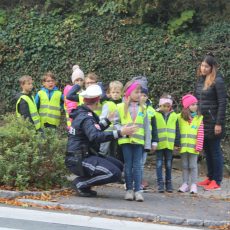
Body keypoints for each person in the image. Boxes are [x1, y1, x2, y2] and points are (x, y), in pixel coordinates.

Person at [65, 84, 137, 197]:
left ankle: (85, 184)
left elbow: (94, 129)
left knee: (118, 165)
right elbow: (95, 136)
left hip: (82, 155)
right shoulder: (86, 117)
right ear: (97, 102)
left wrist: (107, 121)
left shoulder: (83, 113)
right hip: (78, 159)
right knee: (114, 173)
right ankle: (81, 183)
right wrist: (120, 133)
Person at [114, 81, 151, 202]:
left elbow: (146, 127)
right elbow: (116, 123)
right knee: (128, 166)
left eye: (140, 92)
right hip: (126, 141)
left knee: (138, 166)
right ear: (129, 93)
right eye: (137, 92)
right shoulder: (120, 107)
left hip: (139, 142)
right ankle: (129, 190)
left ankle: (138, 191)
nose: (139, 94)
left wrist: (148, 144)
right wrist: (122, 130)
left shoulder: (144, 108)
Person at [194, 54, 227, 190]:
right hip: (202, 122)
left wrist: (218, 123)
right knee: (207, 151)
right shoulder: (200, 80)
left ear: (212, 67)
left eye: (206, 66)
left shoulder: (218, 81)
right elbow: (196, 100)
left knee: (214, 151)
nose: (203, 68)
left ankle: (217, 181)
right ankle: (210, 177)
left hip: (214, 123)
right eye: (202, 65)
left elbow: (222, 102)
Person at [178, 94, 204, 194]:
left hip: (194, 148)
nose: (195, 106)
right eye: (192, 104)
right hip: (183, 147)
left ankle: (193, 184)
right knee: (184, 165)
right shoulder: (180, 117)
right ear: (187, 106)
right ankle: (185, 183)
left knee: (193, 166)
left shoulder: (199, 118)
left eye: (196, 104)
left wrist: (199, 145)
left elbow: (200, 133)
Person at [154, 93, 180, 193]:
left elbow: (177, 129)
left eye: (168, 106)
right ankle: (160, 183)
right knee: (159, 163)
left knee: (169, 164)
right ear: (160, 105)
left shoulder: (174, 115)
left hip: (169, 144)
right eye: (164, 106)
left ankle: (169, 183)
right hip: (160, 144)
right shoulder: (155, 115)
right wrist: (154, 141)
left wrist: (177, 142)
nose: (166, 108)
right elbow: (154, 129)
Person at [140, 87, 158, 191]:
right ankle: (134, 180)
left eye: (145, 95)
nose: (143, 97)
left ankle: (140, 180)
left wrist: (154, 141)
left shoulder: (151, 111)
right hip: (137, 139)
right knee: (136, 162)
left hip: (147, 140)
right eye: (141, 95)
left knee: (142, 162)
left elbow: (154, 128)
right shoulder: (134, 108)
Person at [99, 81, 123, 157]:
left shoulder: (123, 104)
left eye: (117, 92)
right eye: (113, 92)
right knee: (104, 151)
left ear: (121, 93)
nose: (115, 94)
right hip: (108, 132)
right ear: (110, 93)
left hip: (119, 131)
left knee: (116, 151)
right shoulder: (107, 104)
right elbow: (102, 118)